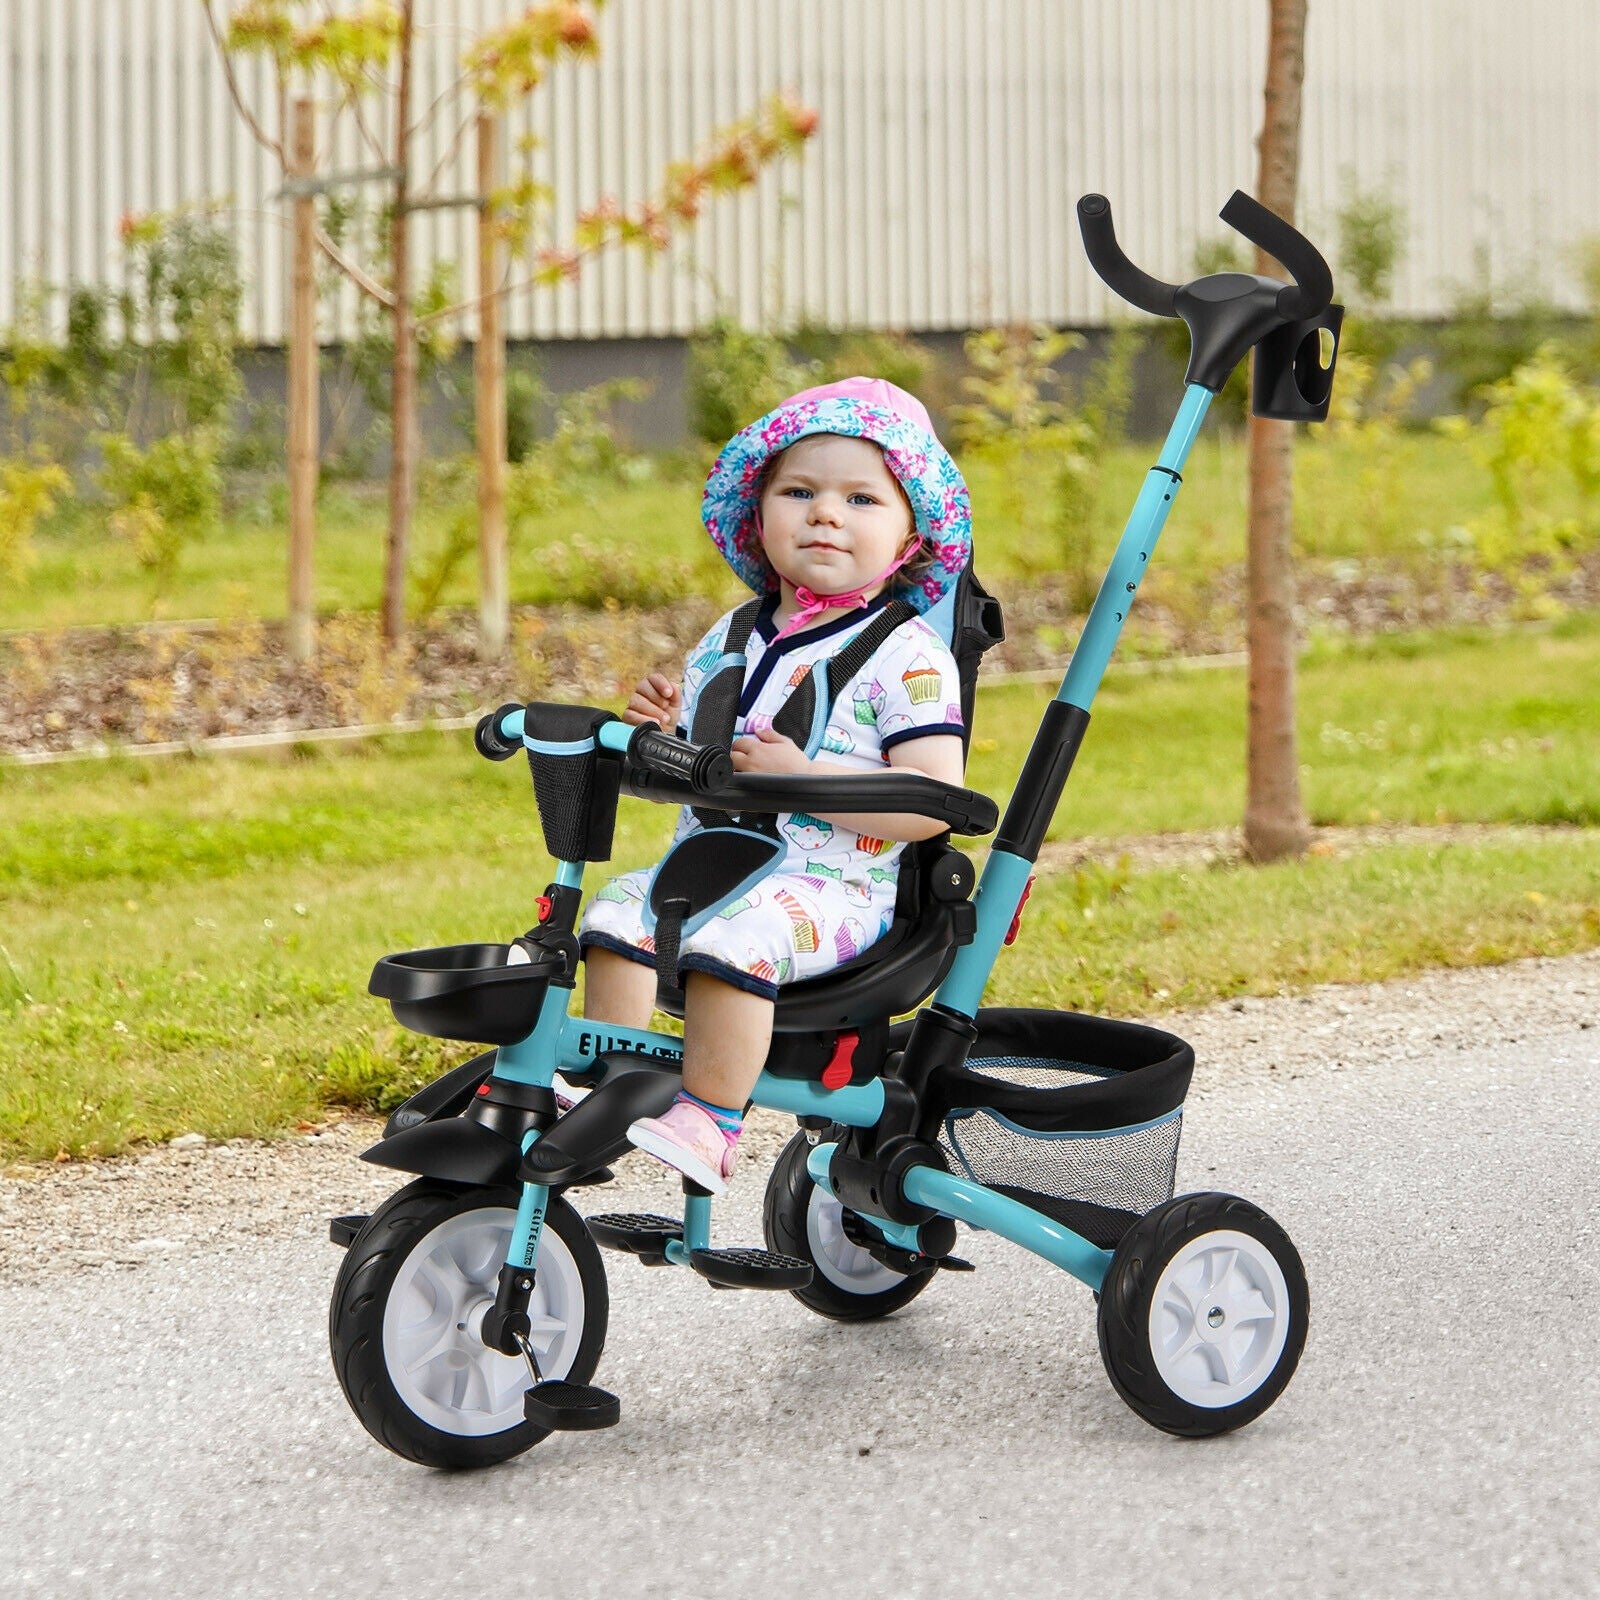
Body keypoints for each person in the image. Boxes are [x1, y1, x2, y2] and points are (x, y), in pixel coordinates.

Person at [578, 376, 973, 1193]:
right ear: (759, 520)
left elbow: (935, 803)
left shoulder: (910, 658)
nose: (826, 513)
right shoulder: (730, 638)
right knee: (616, 913)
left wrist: (809, 778)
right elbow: (704, 763)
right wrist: (662, 732)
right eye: (800, 491)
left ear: (910, 541)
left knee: (734, 944)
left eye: (862, 498)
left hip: (836, 892)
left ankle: (714, 1119)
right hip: (714, 869)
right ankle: (611, 1089)